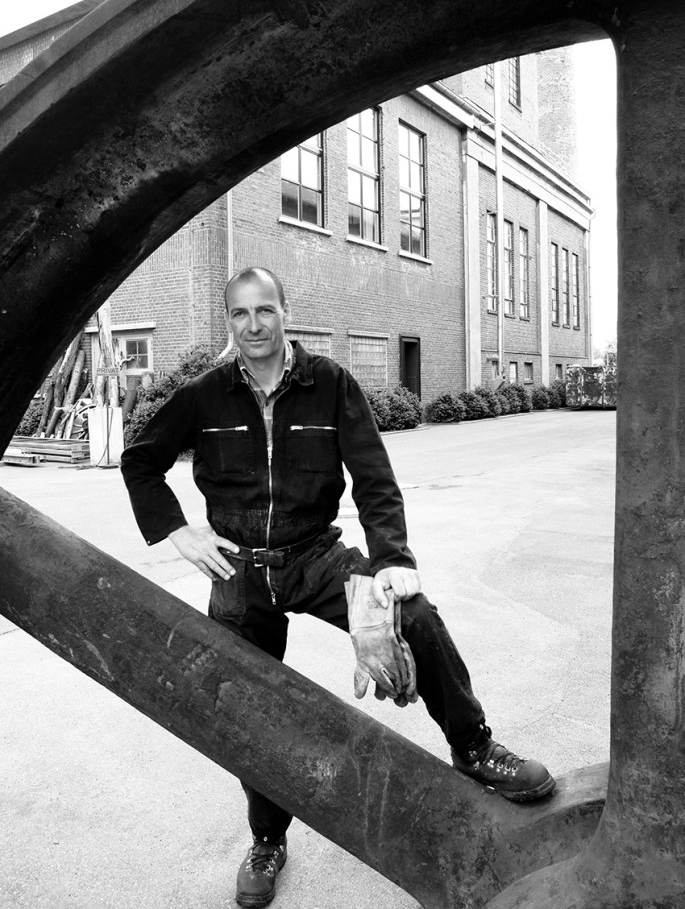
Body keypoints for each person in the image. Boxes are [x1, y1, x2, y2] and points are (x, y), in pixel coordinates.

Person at [121, 266, 555, 908]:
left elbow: (374, 478)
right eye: (239, 313)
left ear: (285, 312)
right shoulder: (204, 395)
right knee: (248, 706)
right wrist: (177, 532)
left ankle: (473, 746)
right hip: (239, 569)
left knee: (413, 614)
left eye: (264, 310)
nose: (253, 325)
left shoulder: (330, 384)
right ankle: (268, 839)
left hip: (315, 555)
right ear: (228, 320)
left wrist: (392, 560)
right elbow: (140, 460)